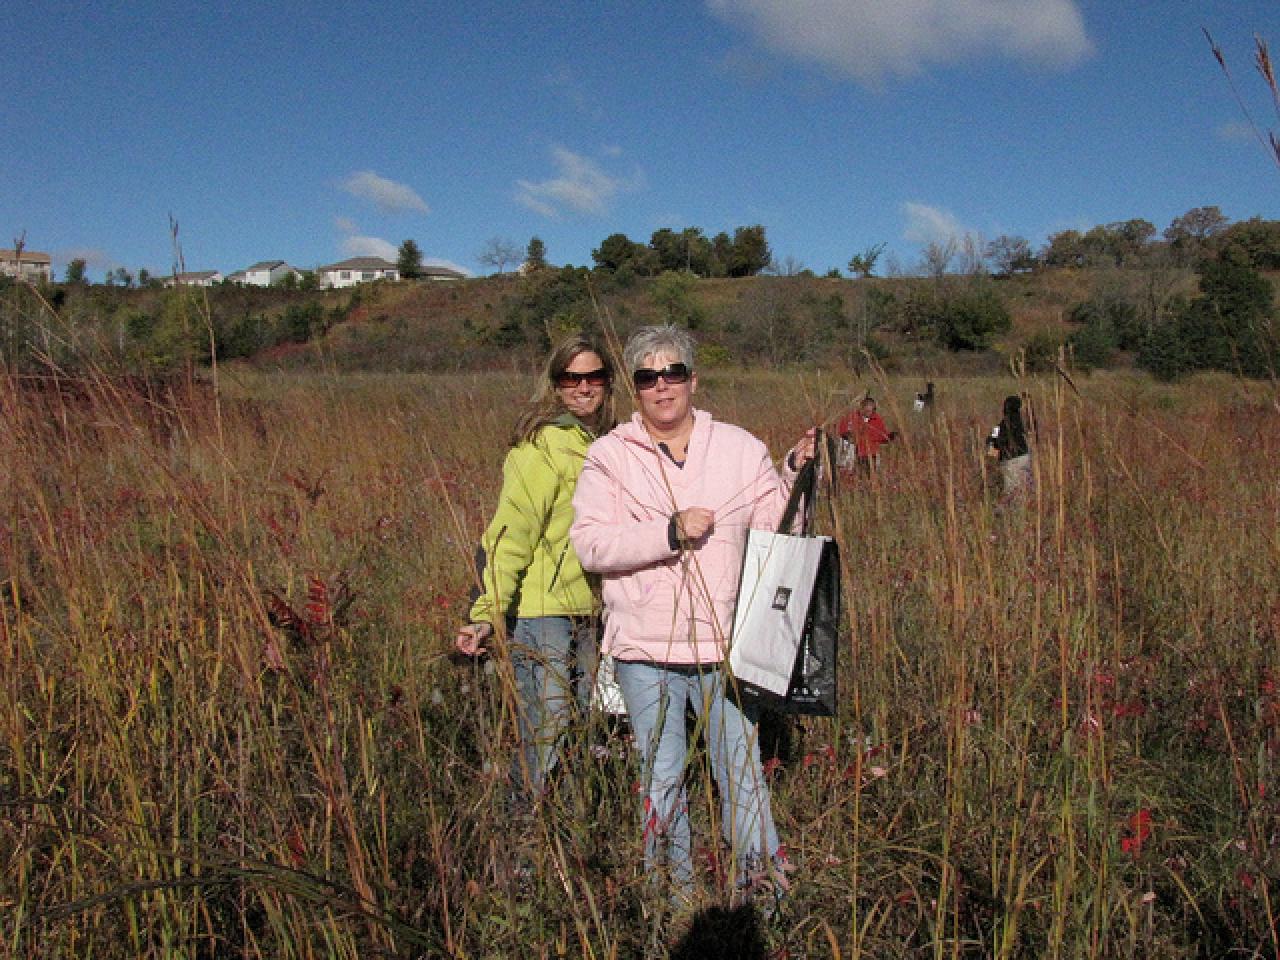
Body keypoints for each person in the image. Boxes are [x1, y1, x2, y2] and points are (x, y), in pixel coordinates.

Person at [570, 325, 815, 907]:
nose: (663, 386)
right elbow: (591, 545)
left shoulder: (739, 447)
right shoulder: (609, 456)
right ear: (635, 389)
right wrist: (667, 533)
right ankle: (671, 897)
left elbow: (784, 531)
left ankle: (762, 894)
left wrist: (797, 473)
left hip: (726, 649)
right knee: (661, 778)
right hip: (642, 653)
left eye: (673, 372)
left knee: (743, 774)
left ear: (693, 379)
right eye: (649, 377)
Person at [455, 334, 616, 804]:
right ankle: (523, 837)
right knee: (549, 727)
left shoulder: (606, 443)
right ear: (555, 384)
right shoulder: (541, 447)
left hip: (592, 611)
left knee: (582, 725)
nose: (583, 388)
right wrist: (485, 614)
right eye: (572, 378)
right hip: (543, 612)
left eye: (594, 377)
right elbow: (509, 536)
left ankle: (564, 834)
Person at [986, 393, 1033, 503]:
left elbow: (992, 443)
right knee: (1024, 490)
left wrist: (990, 461)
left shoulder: (999, 426)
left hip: (1010, 461)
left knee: (1011, 492)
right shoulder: (1023, 423)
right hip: (1025, 458)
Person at [835, 395, 895, 472]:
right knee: (853, 474)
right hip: (854, 454)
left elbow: (882, 436)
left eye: (871, 410)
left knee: (870, 475)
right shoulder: (852, 417)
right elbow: (842, 431)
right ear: (862, 408)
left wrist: (890, 436)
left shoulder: (877, 420)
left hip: (871, 454)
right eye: (866, 410)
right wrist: (849, 436)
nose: (869, 413)